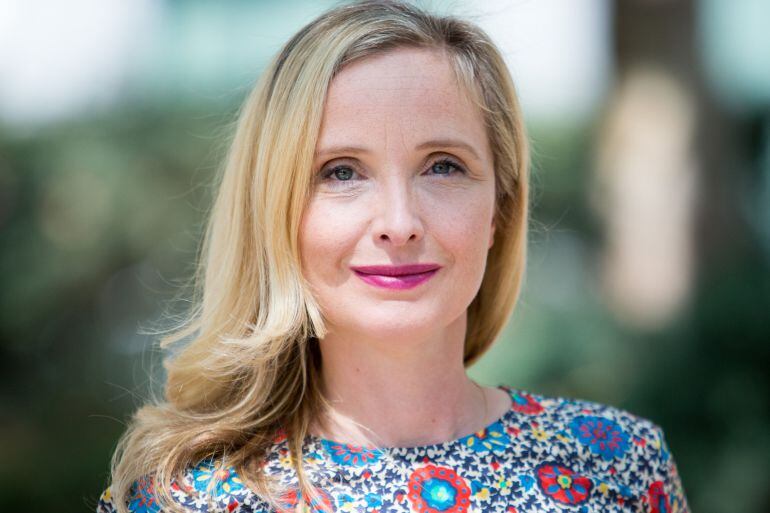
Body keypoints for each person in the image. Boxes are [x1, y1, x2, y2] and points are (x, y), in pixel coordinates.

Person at [96, 1, 690, 512]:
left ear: (499, 211)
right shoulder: (180, 499)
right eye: (342, 172)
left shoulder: (618, 467)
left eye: (443, 166)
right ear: (275, 212)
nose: (399, 225)